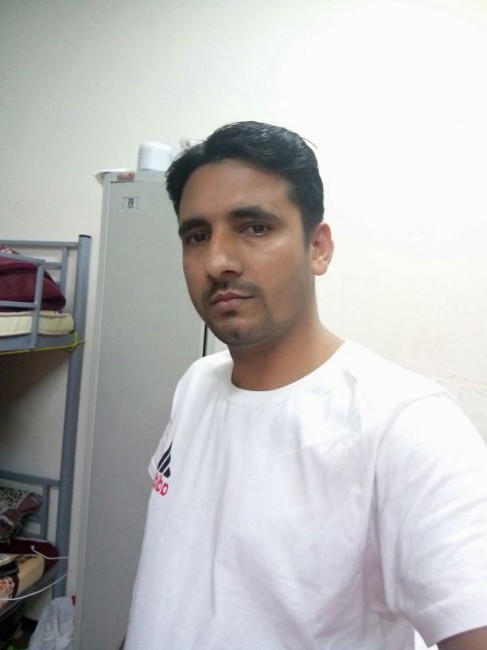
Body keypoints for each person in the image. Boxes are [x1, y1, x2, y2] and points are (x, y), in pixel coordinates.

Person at [123, 121, 487, 649]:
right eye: (197, 236)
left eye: (254, 227)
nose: (217, 262)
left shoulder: (406, 425)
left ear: (318, 248)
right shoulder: (197, 384)